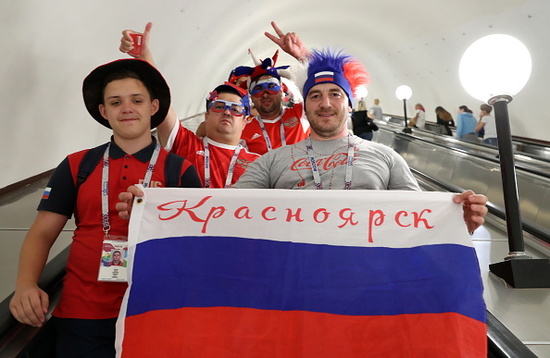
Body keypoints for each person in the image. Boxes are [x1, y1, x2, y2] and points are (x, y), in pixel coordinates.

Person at [118, 28, 488, 239]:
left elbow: (418, 223)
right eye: (314, 95)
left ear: (348, 104)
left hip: (367, 276)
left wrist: (458, 223)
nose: (324, 103)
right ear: (305, 106)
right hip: (294, 277)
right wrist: (154, 207)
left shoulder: (387, 158)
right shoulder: (269, 162)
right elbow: (222, 211)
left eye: (334, 96)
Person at [9, 59, 202, 356]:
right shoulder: (77, 165)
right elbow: (42, 233)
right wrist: (25, 285)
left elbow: (196, 245)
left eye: (136, 100)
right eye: (115, 102)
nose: (126, 108)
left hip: (155, 307)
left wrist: (156, 217)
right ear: (103, 111)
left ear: (153, 107)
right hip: (83, 311)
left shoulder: (180, 171)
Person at [119, 23, 260, 188]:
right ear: (206, 116)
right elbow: (161, 99)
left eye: (235, 109)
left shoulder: (258, 164)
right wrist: (144, 56)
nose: (227, 112)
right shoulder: (186, 143)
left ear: (245, 121)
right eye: (219, 106)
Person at [238, 21, 312, 155]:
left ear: (281, 90)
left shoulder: (300, 113)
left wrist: (303, 55)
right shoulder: (242, 129)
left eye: (272, 86)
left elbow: (326, 85)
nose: (265, 94)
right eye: (258, 89)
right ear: (252, 97)